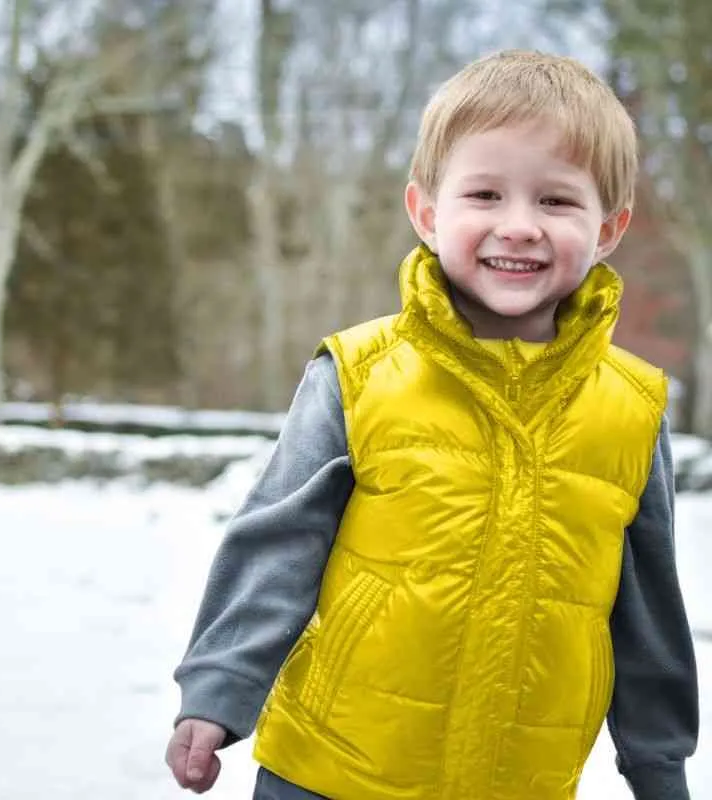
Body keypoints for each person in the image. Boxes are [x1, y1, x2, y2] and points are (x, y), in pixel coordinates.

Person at [165, 49, 699, 800]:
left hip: (521, 782)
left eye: (556, 202)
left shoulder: (632, 409)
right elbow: (277, 543)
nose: (518, 227)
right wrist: (219, 687)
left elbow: (648, 612)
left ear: (608, 227)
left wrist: (659, 761)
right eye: (484, 194)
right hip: (330, 771)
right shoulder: (358, 373)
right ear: (427, 212)